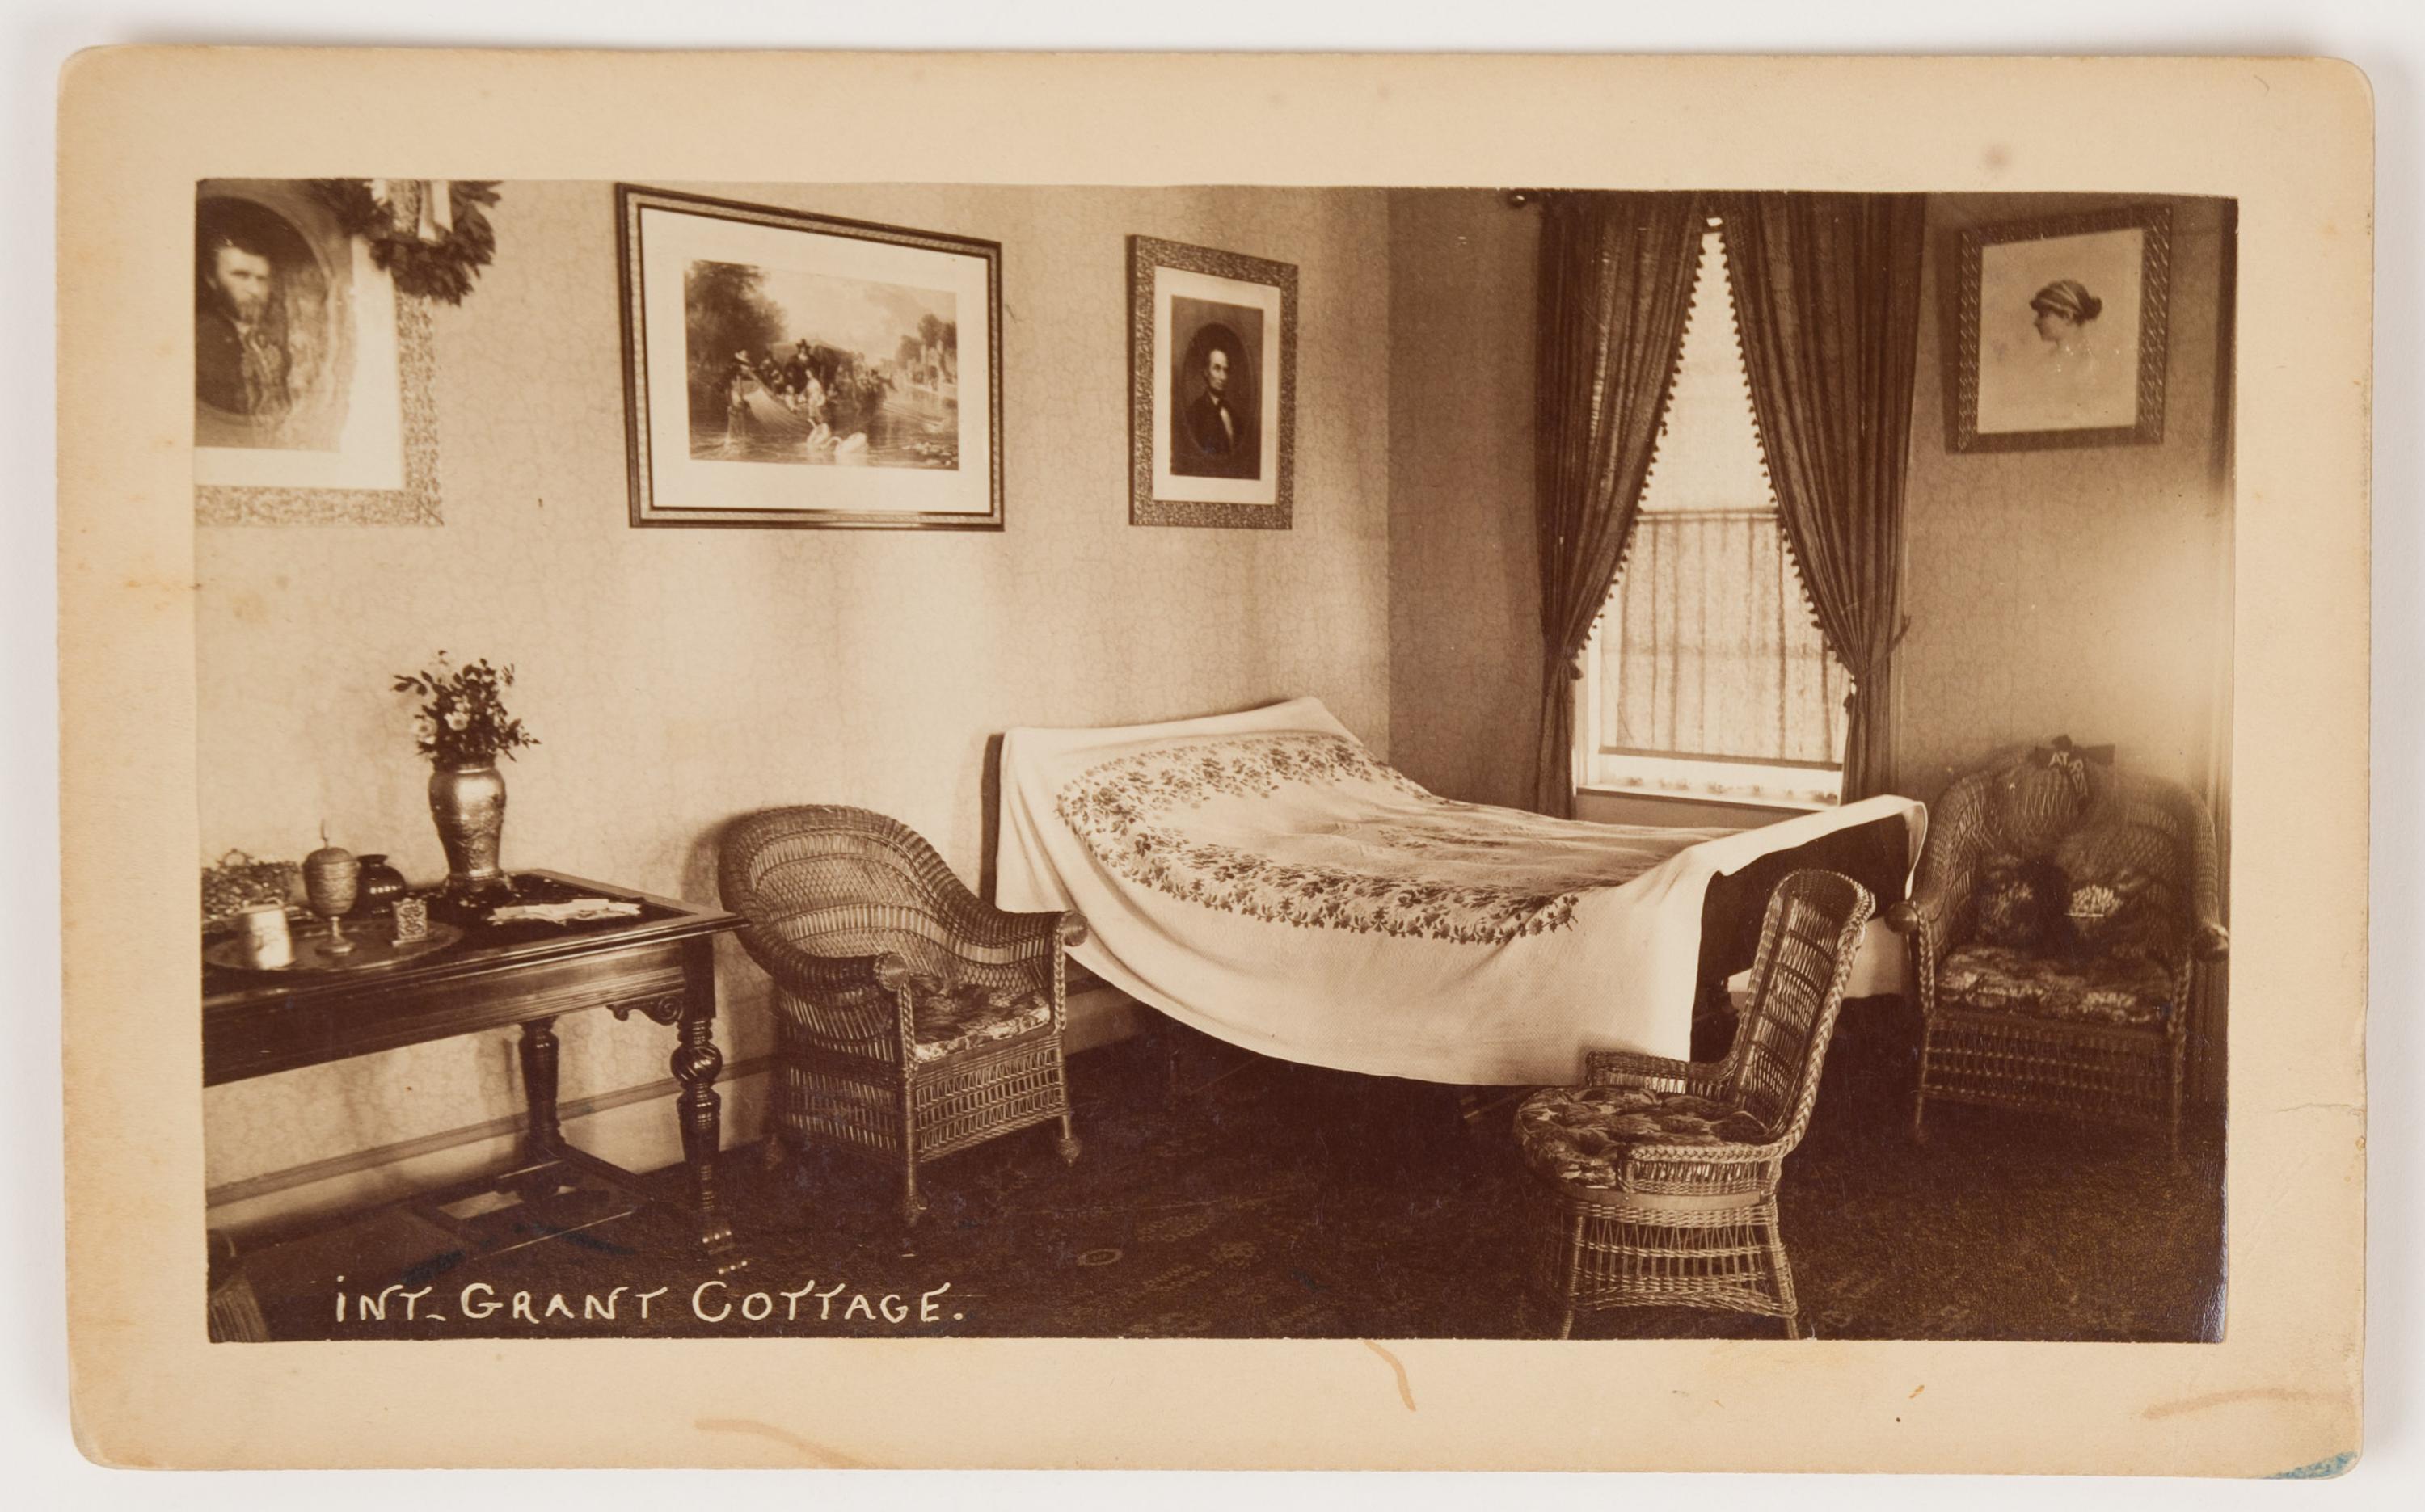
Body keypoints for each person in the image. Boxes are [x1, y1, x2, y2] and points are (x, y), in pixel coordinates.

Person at [195, 231, 290, 419]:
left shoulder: (286, 334)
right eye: (241, 275)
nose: (255, 290)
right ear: (211, 278)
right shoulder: (197, 337)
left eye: (262, 279)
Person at [1175, 333, 1256, 478]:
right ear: (1206, 372)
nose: (1223, 377)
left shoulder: (1234, 415)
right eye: (1217, 369)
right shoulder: (1194, 413)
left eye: (1226, 370)